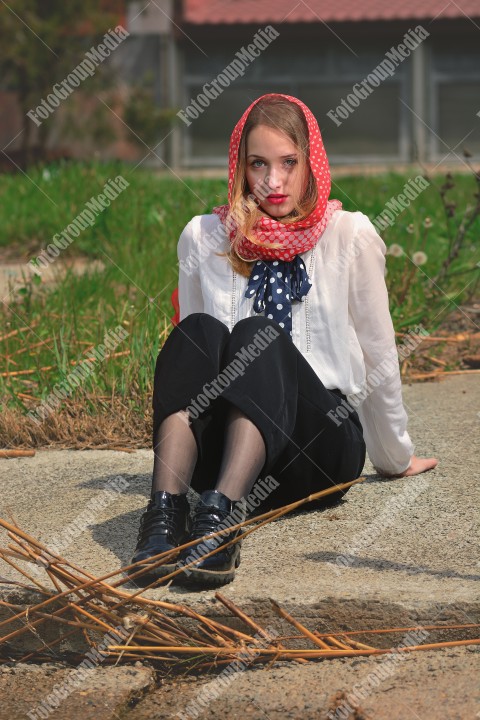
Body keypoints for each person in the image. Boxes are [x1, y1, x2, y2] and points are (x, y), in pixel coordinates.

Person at [130, 93, 437, 589]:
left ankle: (222, 524)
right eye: (259, 164)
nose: (273, 182)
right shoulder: (202, 237)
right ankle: (163, 518)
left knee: (257, 335)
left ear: (310, 162)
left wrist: (394, 457)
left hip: (318, 446)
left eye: (288, 163)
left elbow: (379, 356)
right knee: (198, 331)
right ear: (240, 168)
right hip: (232, 453)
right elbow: (196, 369)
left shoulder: (349, 236)